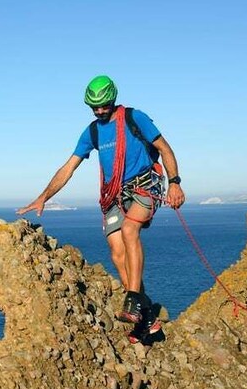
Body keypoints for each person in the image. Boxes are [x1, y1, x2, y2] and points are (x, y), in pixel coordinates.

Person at [16, 75, 185, 343]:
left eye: (103, 106)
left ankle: (132, 301)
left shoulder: (134, 118)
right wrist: (43, 197)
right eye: (94, 107)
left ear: (113, 99)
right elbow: (68, 167)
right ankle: (148, 319)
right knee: (117, 252)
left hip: (145, 186)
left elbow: (164, 148)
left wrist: (174, 183)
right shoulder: (92, 131)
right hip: (115, 195)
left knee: (130, 231)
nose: (99, 111)